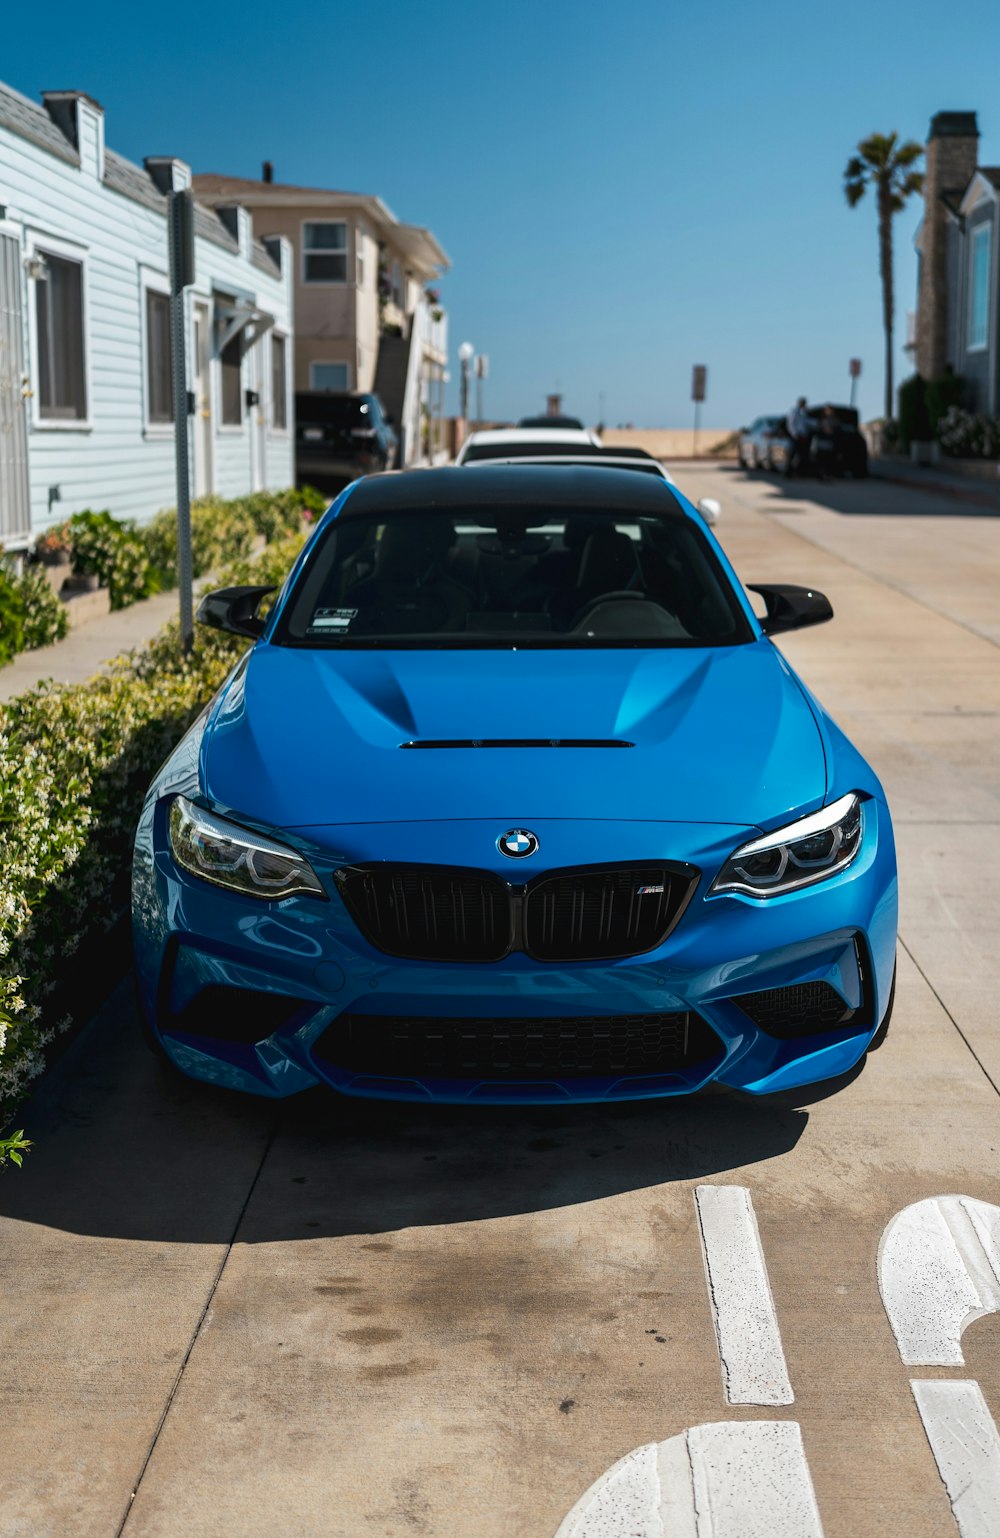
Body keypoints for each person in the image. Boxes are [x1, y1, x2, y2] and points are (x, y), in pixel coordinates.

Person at [785, 397, 813, 477]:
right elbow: (790, 424)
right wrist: (794, 434)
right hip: (795, 436)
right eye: (803, 403)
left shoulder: (803, 412)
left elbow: (807, 423)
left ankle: (799, 472)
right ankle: (788, 473)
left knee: (801, 455)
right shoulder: (794, 412)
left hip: (803, 436)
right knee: (792, 455)